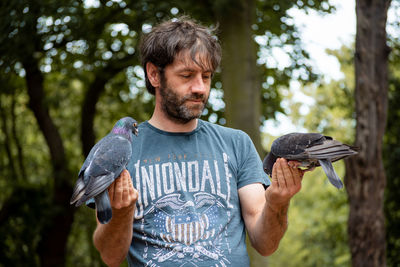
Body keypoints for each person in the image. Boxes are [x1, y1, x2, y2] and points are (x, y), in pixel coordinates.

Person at [92, 17, 306, 267]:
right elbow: (110, 256)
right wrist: (121, 213)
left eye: (206, 76)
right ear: (154, 74)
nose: (200, 88)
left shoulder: (236, 143)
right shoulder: (120, 151)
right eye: (187, 75)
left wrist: (278, 202)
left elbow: (266, 244)